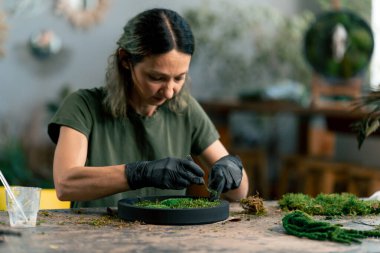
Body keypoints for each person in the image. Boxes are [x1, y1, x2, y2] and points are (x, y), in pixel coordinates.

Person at [48, 8, 249, 208]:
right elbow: (66, 184)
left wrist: (232, 170)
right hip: (95, 237)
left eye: (179, 77)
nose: (170, 92)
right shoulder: (83, 106)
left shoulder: (185, 109)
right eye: (157, 77)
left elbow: (240, 194)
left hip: (168, 238)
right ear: (126, 60)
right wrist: (140, 173)